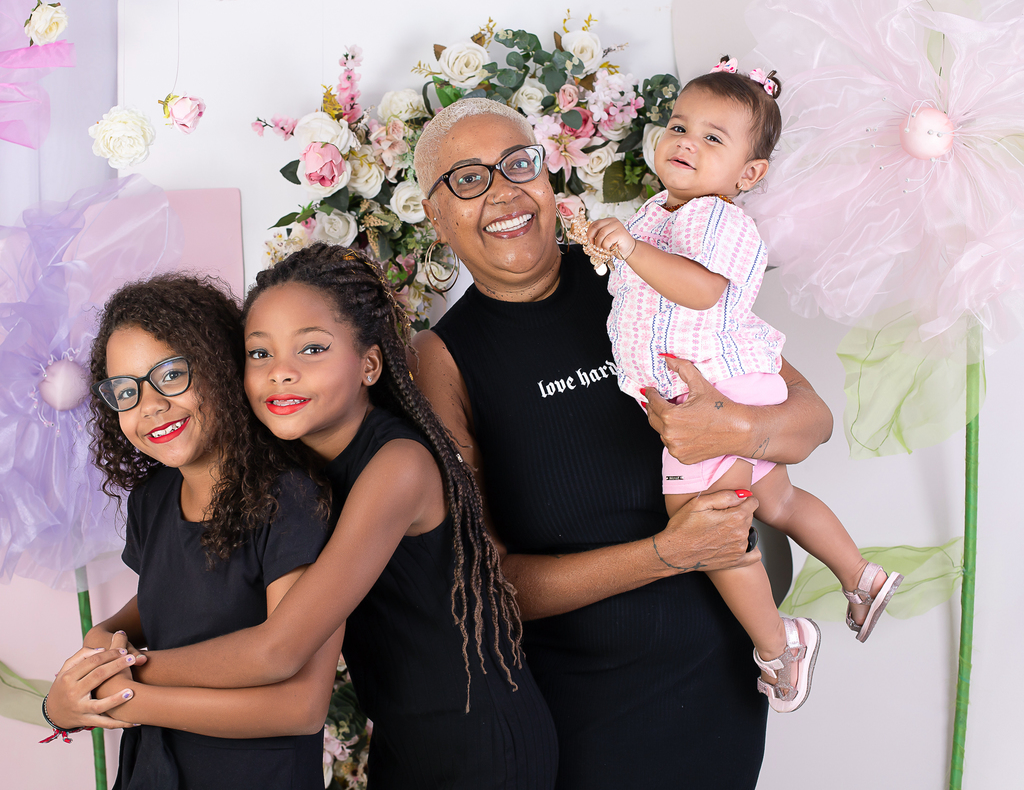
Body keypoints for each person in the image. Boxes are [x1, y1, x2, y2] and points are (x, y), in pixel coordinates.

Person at [412, 95, 833, 788]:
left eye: (519, 164)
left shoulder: (647, 271)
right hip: (582, 713)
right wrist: (669, 553)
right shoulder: (443, 359)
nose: (503, 192)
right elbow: (486, 587)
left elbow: (812, 420)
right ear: (435, 214)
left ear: (548, 178)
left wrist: (734, 427)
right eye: (468, 178)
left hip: (723, 686)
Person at [102, 245, 558, 789]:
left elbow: (280, 648)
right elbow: (191, 578)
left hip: (481, 745)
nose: (281, 373)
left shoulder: (398, 466)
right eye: (260, 353)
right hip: (401, 739)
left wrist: (122, 670)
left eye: (312, 348)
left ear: (369, 364)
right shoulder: (291, 464)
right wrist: (107, 634)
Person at [568, 58, 902, 712]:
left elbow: (703, 291)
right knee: (777, 500)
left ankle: (781, 643)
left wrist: (630, 251)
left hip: (716, 393)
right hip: (737, 385)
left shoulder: (716, 220)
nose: (686, 142)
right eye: (678, 126)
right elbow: (640, 294)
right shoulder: (658, 214)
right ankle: (861, 574)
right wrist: (612, 247)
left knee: (706, 528)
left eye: (713, 137)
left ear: (749, 175)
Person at [42, 275, 345, 789]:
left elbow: (299, 708)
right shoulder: (152, 500)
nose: (150, 405)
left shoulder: (291, 498)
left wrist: (127, 693)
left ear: (220, 364)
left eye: (171, 375)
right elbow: (159, 611)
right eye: (127, 391)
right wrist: (95, 653)